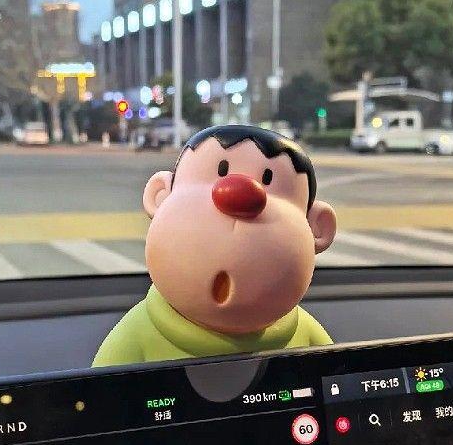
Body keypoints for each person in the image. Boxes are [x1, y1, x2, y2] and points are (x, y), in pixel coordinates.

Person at [92, 125, 337, 366]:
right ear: (160, 196)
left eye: (267, 178)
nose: (239, 193)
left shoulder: (304, 333)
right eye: (222, 170)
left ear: (318, 229)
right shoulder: (139, 333)